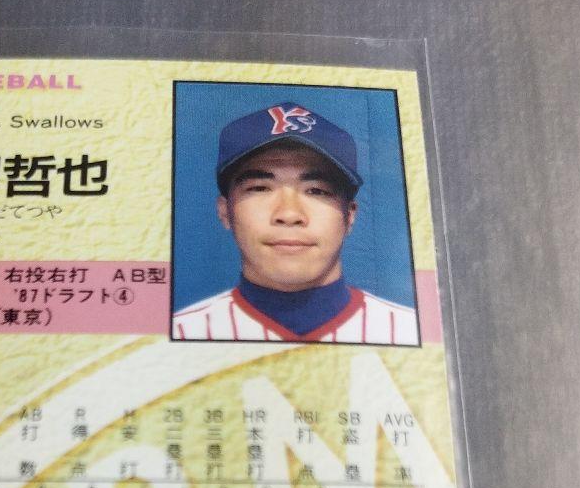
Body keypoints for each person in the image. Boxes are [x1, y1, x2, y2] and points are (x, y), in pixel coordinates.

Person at [173, 102, 418, 345]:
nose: (289, 214)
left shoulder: (410, 332)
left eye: (316, 190)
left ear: (349, 216)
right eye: (260, 188)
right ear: (225, 212)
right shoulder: (176, 335)